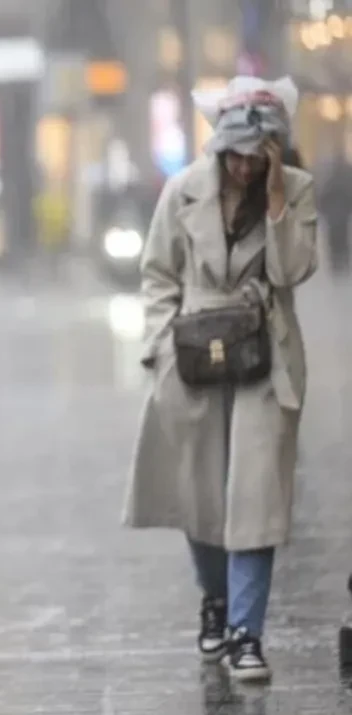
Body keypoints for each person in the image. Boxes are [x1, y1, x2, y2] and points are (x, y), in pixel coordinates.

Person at [124, 76, 318, 683]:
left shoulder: (295, 192)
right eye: (232, 153)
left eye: (253, 155)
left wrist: (281, 199)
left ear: (271, 152)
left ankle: (245, 632)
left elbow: (293, 271)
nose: (241, 166)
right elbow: (157, 274)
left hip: (266, 357)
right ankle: (214, 600)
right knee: (202, 498)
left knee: (255, 499)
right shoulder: (182, 192)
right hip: (192, 359)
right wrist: (159, 349)